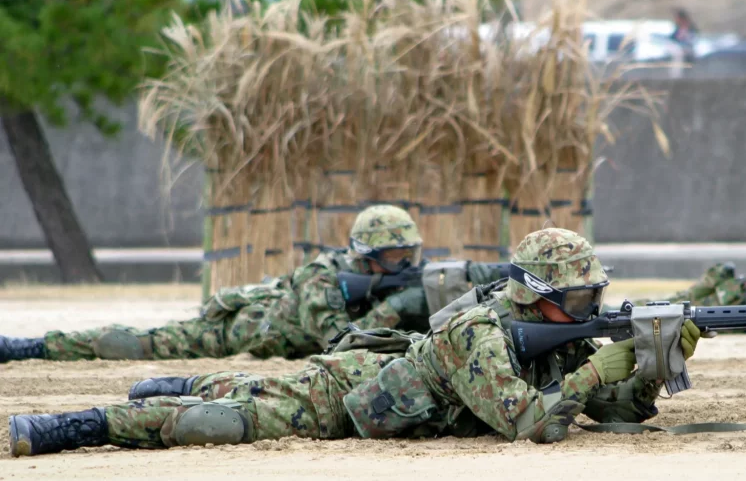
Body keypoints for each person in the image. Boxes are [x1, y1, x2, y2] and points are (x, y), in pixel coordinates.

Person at [8, 228, 704, 457]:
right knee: (225, 421)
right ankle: (77, 425)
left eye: (594, 298)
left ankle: (178, 384)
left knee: (227, 394)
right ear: (536, 294)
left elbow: (616, 414)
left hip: (379, 390)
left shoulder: (554, 335)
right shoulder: (478, 331)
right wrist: (593, 372)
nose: (593, 308)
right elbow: (526, 422)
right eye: (581, 298)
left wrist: (654, 362)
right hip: (338, 398)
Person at [0, 205, 505, 365]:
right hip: (239, 331)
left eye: (409, 255)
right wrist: (400, 309)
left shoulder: (388, 280)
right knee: (143, 342)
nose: (405, 263)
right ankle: (32, 347)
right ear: (367, 256)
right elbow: (338, 346)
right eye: (395, 256)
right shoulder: (322, 280)